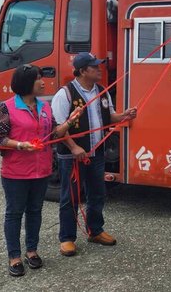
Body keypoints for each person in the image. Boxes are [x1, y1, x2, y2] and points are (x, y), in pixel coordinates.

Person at [0, 64, 82, 276]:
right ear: (26, 83)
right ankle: (14, 256)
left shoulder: (45, 107)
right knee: (14, 213)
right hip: (16, 173)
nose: (43, 82)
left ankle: (32, 251)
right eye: (38, 78)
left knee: (35, 211)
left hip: (41, 171)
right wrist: (20, 145)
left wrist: (70, 120)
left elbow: (54, 134)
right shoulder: (7, 107)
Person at [51, 52, 137, 256]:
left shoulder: (102, 92)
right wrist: (73, 147)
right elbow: (57, 128)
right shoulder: (65, 94)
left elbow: (108, 118)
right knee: (70, 197)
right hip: (72, 156)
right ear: (82, 71)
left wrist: (124, 115)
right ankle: (67, 238)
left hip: (97, 153)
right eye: (94, 67)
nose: (100, 69)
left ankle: (95, 230)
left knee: (97, 193)